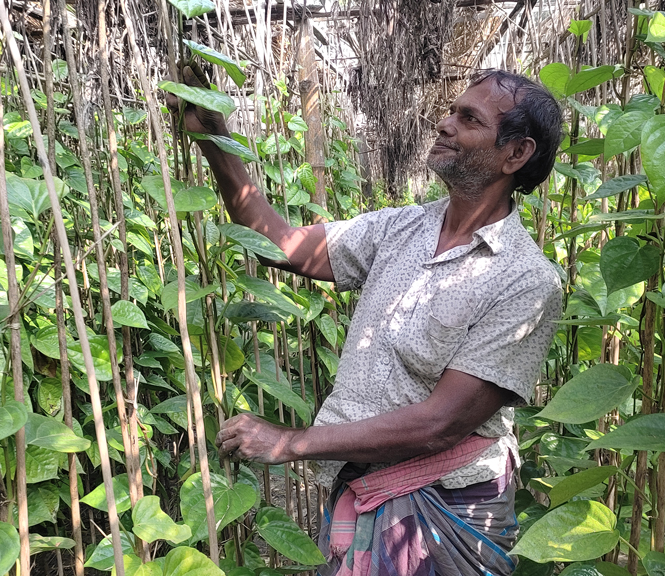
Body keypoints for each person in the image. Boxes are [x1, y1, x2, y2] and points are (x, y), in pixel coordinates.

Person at [172, 66, 563, 576]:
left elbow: (439, 425)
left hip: (445, 507)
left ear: (516, 153)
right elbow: (281, 243)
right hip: (363, 486)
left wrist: (290, 441)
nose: (445, 124)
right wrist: (215, 140)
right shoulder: (400, 227)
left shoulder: (527, 280)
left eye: (468, 118)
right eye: (450, 111)